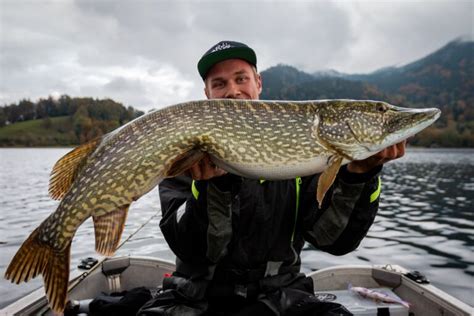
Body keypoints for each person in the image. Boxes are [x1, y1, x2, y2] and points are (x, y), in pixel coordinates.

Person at [139, 41, 406, 316]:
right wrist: (213, 187)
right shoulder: (183, 154)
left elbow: (333, 241)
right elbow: (194, 251)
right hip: (198, 297)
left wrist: (359, 177)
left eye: (241, 79)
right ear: (207, 94)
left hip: (280, 297)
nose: (232, 91)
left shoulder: (310, 155)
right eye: (219, 84)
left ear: (258, 82)